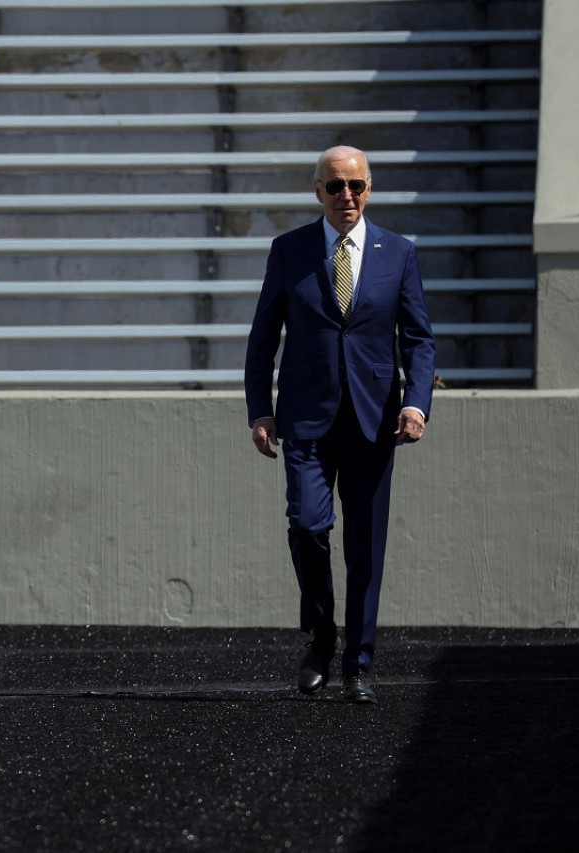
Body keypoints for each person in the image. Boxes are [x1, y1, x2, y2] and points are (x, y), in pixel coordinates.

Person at [243, 145, 436, 705]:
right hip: (305, 420)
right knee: (307, 526)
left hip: (376, 423)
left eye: (356, 186)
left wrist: (416, 404)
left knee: (366, 547)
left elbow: (419, 339)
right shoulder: (289, 251)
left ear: (369, 189)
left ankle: (359, 663)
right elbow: (262, 342)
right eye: (334, 187)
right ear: (318, 192)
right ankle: (322, 635)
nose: (346, 196)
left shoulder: (398, 253)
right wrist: (260, 410)